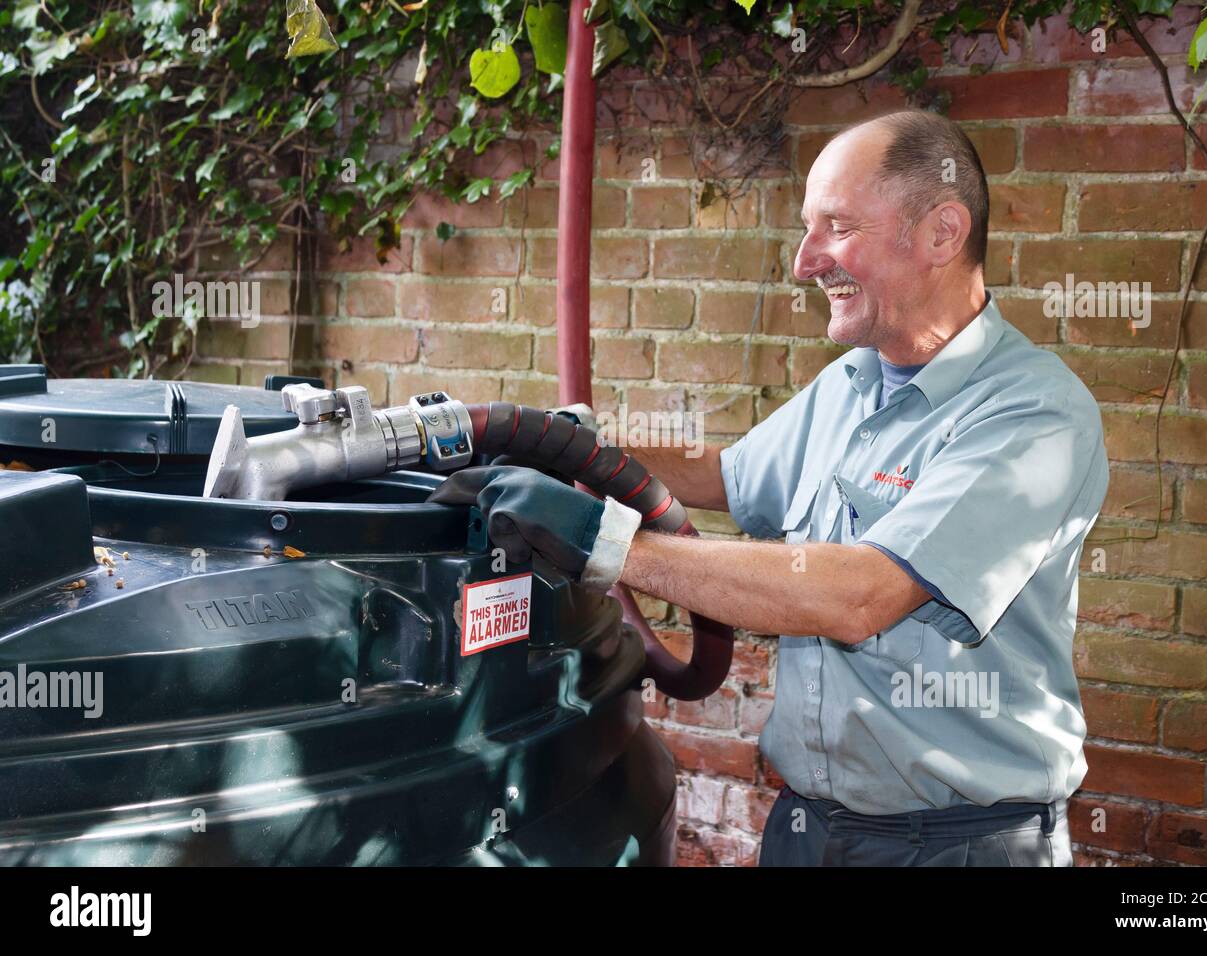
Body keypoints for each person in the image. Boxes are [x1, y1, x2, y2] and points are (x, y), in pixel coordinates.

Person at [433, 109, 1109, 867]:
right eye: (807, 229)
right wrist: (568, 449)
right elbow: (726, 474)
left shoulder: (1033, 413)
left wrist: (603, 543)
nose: (805, 262)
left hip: (956, 844)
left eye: (838, 226)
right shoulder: (852, 383)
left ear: (942, 233)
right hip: (807, 828)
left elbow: (862, 594)